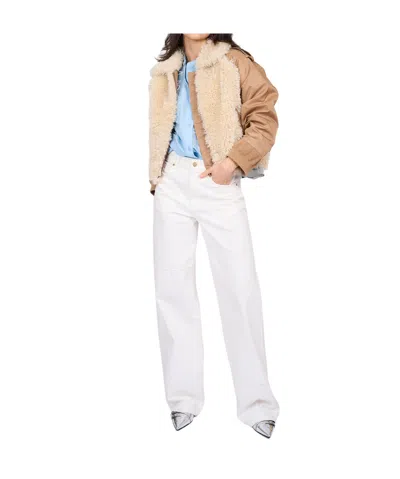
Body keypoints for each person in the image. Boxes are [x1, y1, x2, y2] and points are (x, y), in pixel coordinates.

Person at [149, 33, 279, 439]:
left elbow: (264, 115)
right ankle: (182, 400)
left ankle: (257, 405)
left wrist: (233, 162)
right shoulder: (164, 68)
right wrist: (156, 174)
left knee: (239, 289)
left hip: (218, 182)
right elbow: (162, 126)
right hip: (172, 181)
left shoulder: (236, 61)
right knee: (173, 290)